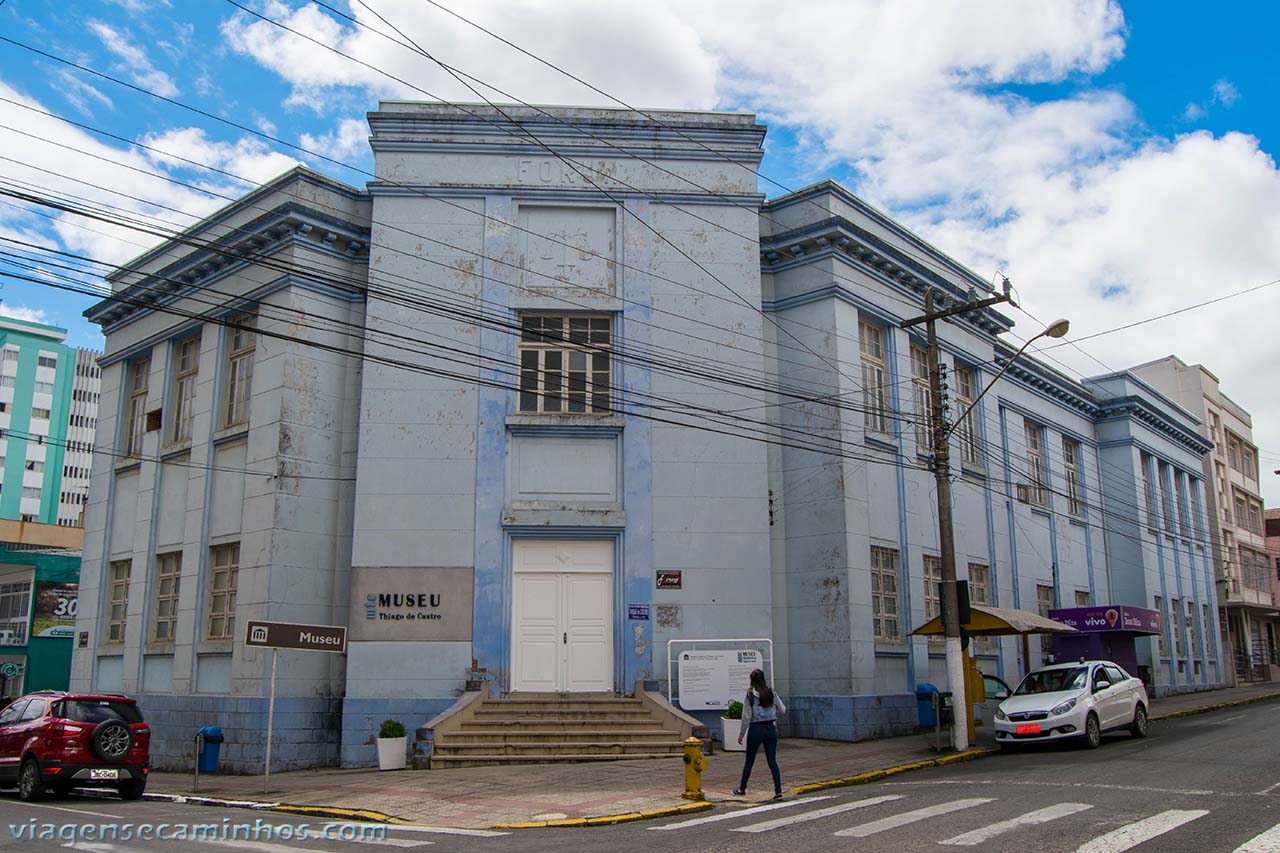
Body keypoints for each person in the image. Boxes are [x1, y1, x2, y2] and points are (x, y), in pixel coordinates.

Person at [732, 668, 786, 799]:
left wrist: (741, 734)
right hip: (770, 728)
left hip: (756, 728)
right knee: (772, 761)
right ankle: (778, 791)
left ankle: (742, 788)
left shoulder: (750, 695)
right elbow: (783, 710)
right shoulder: (771, 692)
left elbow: (746, 716)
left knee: (749, 760)